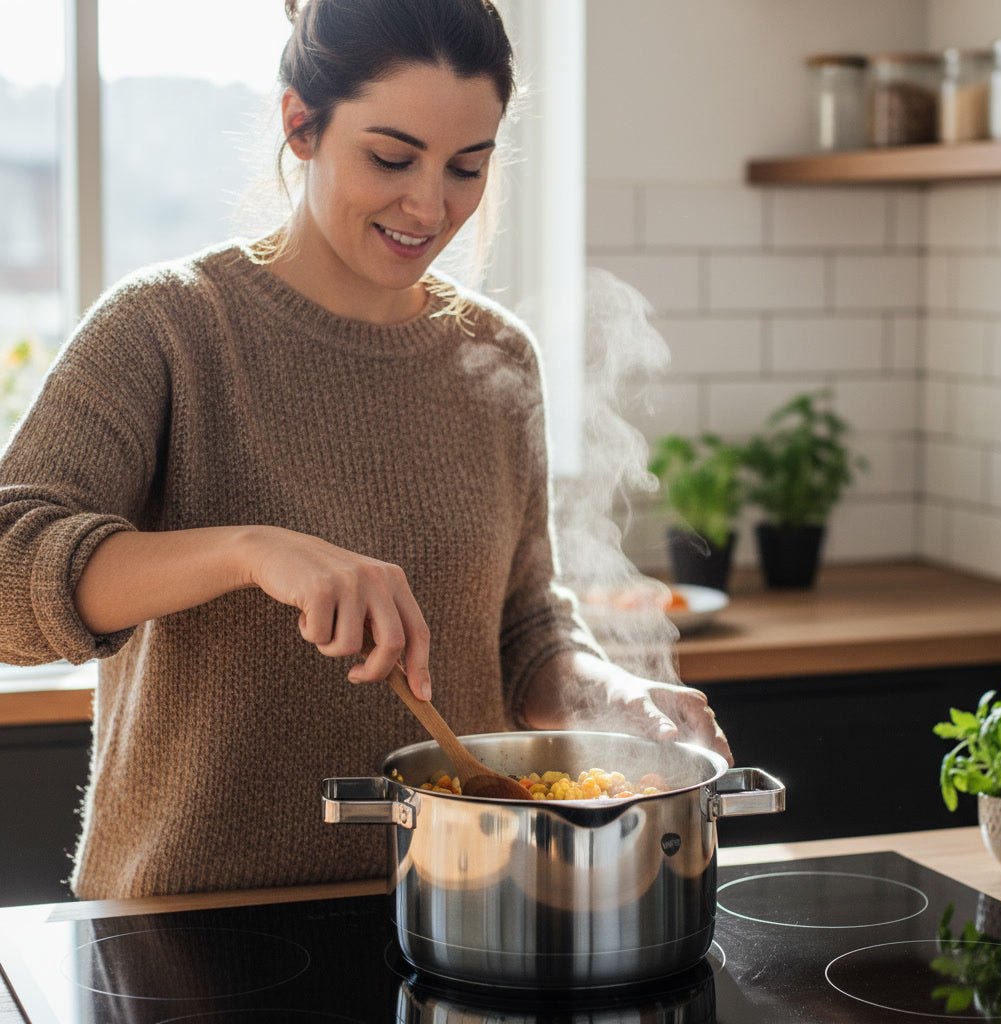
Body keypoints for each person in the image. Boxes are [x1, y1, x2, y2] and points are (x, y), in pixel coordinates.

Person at [0, 0, 731, 900]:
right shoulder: (171, 328)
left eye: (468, 166)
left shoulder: (495, 358)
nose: (431, 206)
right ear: (300, 125)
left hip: (459, 909)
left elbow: (523, 622)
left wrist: (604, 697)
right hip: (187, 929)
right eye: (391, 158)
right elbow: (8, 577)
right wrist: (250, 550)